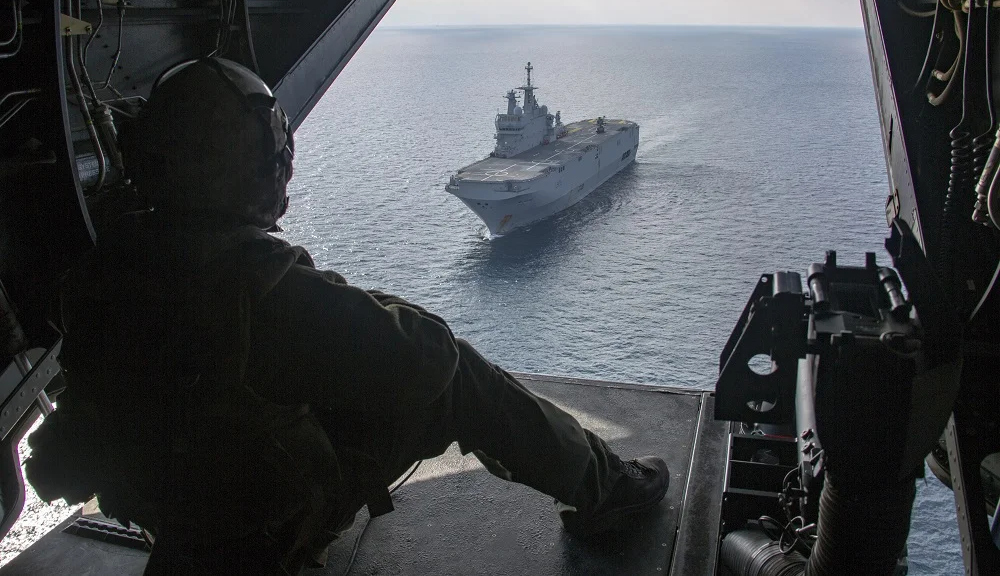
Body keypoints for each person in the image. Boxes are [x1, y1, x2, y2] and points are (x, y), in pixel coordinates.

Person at [25, 58, 669, 575]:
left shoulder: (105, 269)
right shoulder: (261, 289)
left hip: (169, 506)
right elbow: (424, 356)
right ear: (252, 169)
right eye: (274, 158)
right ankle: (606, 490)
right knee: (458, 378)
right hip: (249, 521)